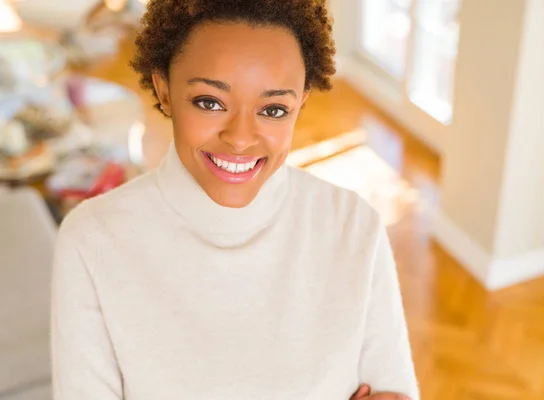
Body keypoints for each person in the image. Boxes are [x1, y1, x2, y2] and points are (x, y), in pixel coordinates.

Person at [51, 0, 419, 399]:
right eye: (209, 102)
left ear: (302, 103)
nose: (241, 138)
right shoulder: (92, 240)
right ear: (164, 90)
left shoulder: (353, 226)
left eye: (274, 109)